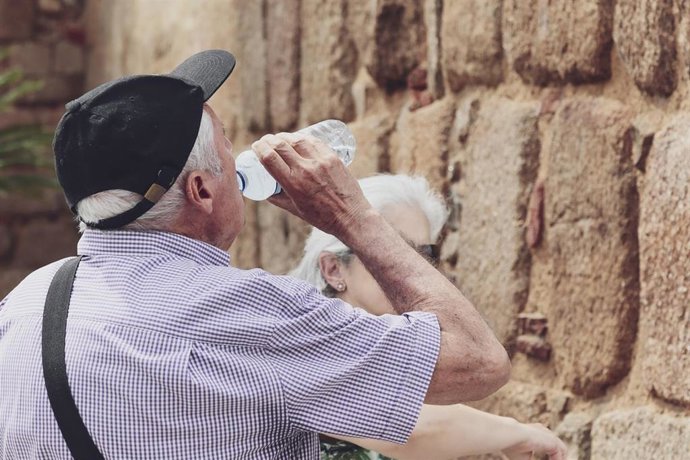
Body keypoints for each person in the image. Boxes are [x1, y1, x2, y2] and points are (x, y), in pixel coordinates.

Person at [0, 49, 511, 459]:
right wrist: (350, 217)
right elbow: (478, 363)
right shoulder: (246, 311)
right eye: (227, 145)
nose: (238, 156)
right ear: (201, 190)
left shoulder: (23, 307)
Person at [292, 174, 567, 460]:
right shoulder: (307, 343)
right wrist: (515, 433)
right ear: (334, 269)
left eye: (424, 254)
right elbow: (406, 428)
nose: (412, 268)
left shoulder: (391, 352)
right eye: (388, 251)